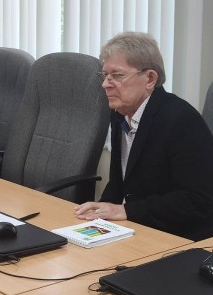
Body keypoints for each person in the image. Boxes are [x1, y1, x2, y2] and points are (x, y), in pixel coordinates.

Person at [74, 32, 213, 241]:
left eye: (117, 76)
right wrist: (99, 212)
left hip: (178, 237)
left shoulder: (181, 120)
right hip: (139, 227)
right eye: (105, 75)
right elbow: (119, 182)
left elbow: (197, 201)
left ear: (150, 79)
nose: (105, 84)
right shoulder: (120, 113)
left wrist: (126, 211)